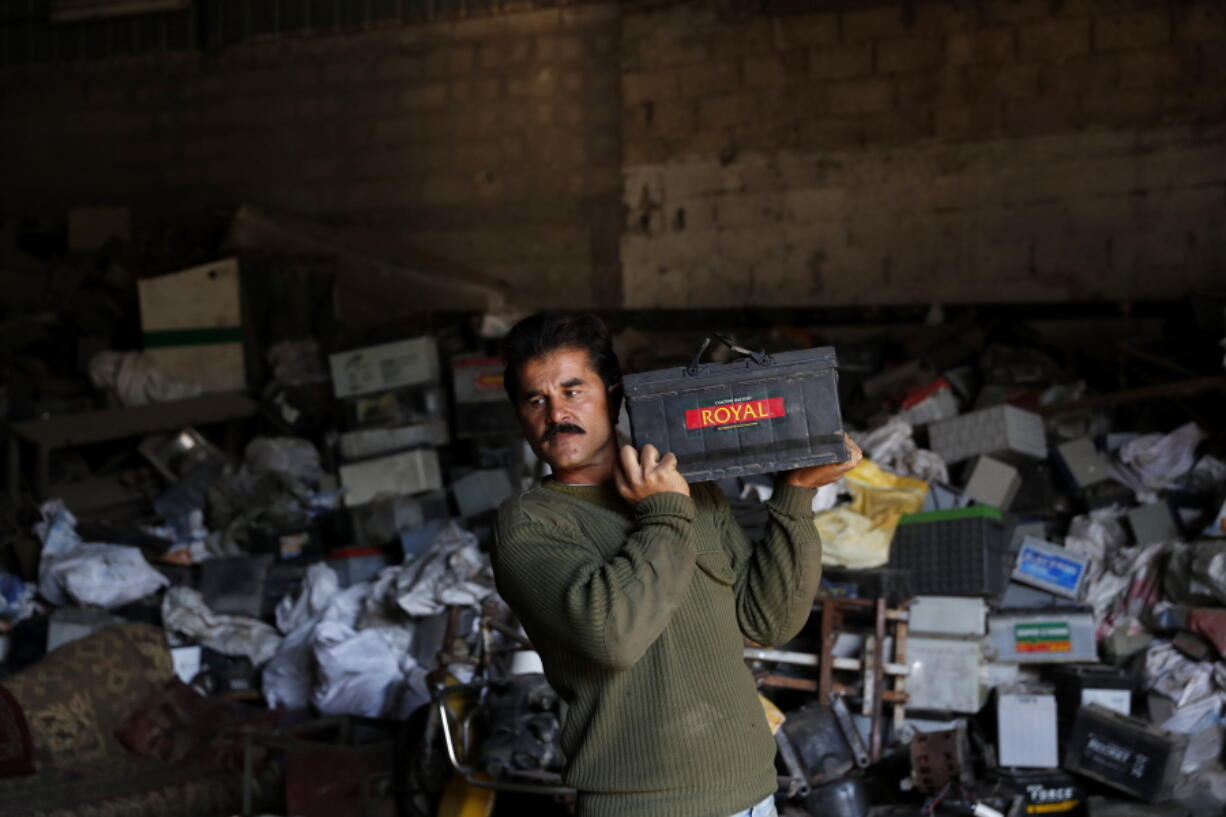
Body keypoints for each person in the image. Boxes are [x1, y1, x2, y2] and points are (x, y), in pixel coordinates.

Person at [492, 313, 862, 817]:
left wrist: (797, 494)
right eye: (536, 399)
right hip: (645, 806)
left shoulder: (688, 484)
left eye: (573, 390)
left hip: (754, 793)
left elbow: (766, 621)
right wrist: (664, 510)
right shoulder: (532, 523)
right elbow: (612, 637)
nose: (556, 413)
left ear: (614, 394)